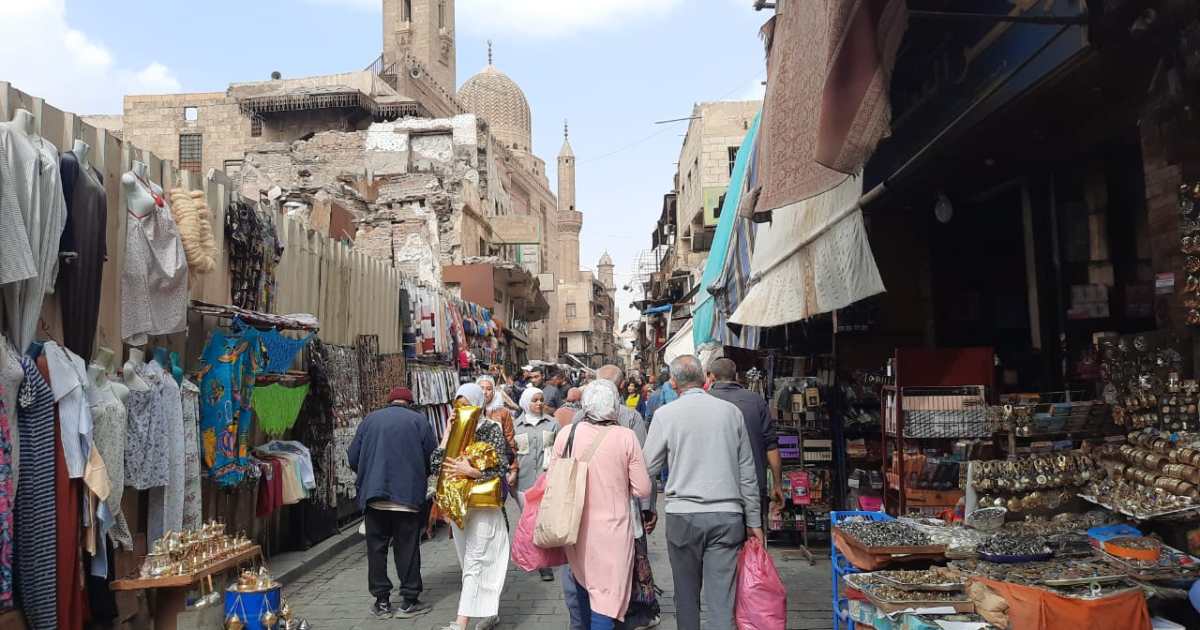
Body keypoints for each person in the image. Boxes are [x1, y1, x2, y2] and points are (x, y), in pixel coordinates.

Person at [643, 355, 762, 630]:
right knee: (722, 601)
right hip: (727, 516)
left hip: (682, 516)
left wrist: (644, 508)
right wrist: (754, 521)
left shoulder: (665, 415)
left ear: (673, 383)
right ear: (704, 378)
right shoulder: (731, 413)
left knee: (686, 598)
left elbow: (647, 468)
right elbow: (747, 472)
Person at [564, 365, 659, 630]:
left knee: (582, 584)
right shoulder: (626, 436)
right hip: (613, 528)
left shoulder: (568, 433)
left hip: (574, 525)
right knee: (607, 596)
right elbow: (643, 488)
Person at [347, 387, 435, 620]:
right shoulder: (419, 421)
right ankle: (409, 600)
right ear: (410, 403)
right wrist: (419, 475)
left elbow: (353, 457)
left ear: (389, 402)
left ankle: (382, 602)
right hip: (407, 497)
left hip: (375, 497)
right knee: (407, 547)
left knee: (376, 549)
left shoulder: (370, 420)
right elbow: (432, 458)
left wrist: (370, 474)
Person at [432, 384, 511, 630]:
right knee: (468, 561)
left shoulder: (490, 429)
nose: (461, 409)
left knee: (476, 559)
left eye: (466, 404)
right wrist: (447, 433)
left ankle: (461, 623)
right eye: (457, 404)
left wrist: (471, 471)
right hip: (460, 507)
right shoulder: (454, 429)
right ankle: (489, 611)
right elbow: (435, 465)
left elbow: (501, 469)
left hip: (483, 506)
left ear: (478, 404)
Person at [706, 358, 785, 522]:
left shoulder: (704, 401)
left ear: (712, 377)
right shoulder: (756, 401)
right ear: (735, 375)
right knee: (753, 534)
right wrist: (777, 485)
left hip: (715, 490)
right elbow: (771, 447)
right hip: (754, 486)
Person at [513, 387, 560, 581]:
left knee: (540, 522)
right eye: (535, 400)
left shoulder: (553, 424)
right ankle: (529, 556)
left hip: (545, 480)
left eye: (541, 400)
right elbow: (510, 454)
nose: (539, 403)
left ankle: (544, 564)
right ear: (526, 403)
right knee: (528, 522)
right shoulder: (515, 426)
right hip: (523, 482)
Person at [477, 375, 520, 491]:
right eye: (481, 388)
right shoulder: (471, 412)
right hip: (475, 468)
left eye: (489, 389)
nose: (485, 392)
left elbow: (510, 440)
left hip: (498, 466)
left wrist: (513, 469)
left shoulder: (503, 412)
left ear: (494, 391)